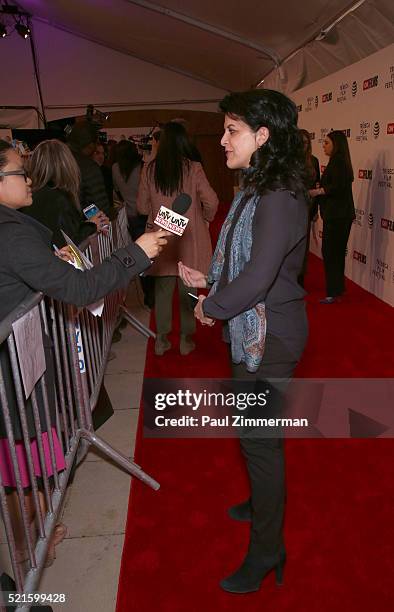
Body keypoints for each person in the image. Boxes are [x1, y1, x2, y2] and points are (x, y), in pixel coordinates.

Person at [0, 140, 168, 565]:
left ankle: (36, 535)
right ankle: (26, 554)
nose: (30, 179)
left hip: (20, 371)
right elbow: (80, 288)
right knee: (21, 466)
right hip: (14, 377)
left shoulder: (15, 228)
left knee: (28, 463)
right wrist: (137, 253)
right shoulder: (9, 233)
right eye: (21, 171)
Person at [178, 89, 308, 594]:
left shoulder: (277, 194)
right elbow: (242, 262)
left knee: (259, 443)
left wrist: (210, 307)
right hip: (254, 329)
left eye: (233, 130)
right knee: (253, 434)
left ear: (263, 135)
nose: (224, 140)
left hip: (271, 335)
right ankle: (259, 502)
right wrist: (208, 284)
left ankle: (268, 549)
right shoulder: (258, 186)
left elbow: (259, 277)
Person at [137, 121, 218, 356]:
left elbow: (142, 207)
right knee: (189, 288)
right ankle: (186, 339)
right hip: (190, 239)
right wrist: (204, 219)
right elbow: (211, 201)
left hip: (161, 236)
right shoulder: (193, 168)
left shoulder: (150, 170)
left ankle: (162, 339)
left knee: (163, 290)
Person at [24, 139, 109, 247]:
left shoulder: (30, 195)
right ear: (67, 164)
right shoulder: (59, 198)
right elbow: (69, 241)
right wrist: (92, 226)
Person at [309, 130, 355, 303]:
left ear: (336, 145)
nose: (324, 146)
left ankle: (333, 292)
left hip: (337, 216)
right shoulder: (338, 162)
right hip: (339, 215)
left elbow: (336, 187)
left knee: (330, 253)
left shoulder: (338, 162)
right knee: (334, 253)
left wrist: (317, 191)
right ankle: (337, 289)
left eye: (327, 143)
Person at [67, 121, 112, 216]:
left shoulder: (61, 161)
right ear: (90, 144)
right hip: (84, 225)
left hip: (63, 223)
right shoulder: (88, 166)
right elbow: (100, 205)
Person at [298, 128, 321, 287]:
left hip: (309, 206)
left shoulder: (314, 160)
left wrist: (315, 210)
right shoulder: (290, 162)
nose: (304, 145)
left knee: (304, 247)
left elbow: (317, 185)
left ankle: (300, 281)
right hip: (294, 206)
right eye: (301, 142)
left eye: (306, 142)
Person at [112, 140, 143, 239]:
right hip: (142, 212)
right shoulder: (141, 167)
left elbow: (116, 189)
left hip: (127, 213)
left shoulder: (115, 167)